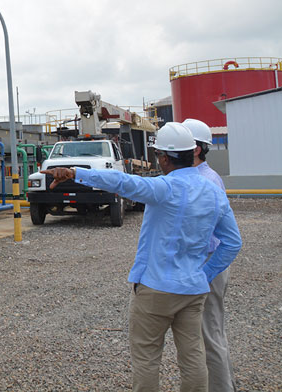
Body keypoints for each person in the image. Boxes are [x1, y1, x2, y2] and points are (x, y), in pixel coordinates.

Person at [43, 122, 242, 392]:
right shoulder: (215, 191)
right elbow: (232, 242)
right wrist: (204, 275)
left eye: (158, 154)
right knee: (193, 357)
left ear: (163, 158)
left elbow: (122, 182)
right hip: (193, 290)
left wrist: (75, 173)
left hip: (155, 289)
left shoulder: (164, 188)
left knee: (147, 359)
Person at [182, 118, 237, 392]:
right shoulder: (204, 176)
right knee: (211, 332)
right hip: (208, 262)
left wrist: (203, 275)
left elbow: (226, 239)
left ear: (195, 149)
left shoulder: (204, 181)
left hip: (208, 262)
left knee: (209, 335)